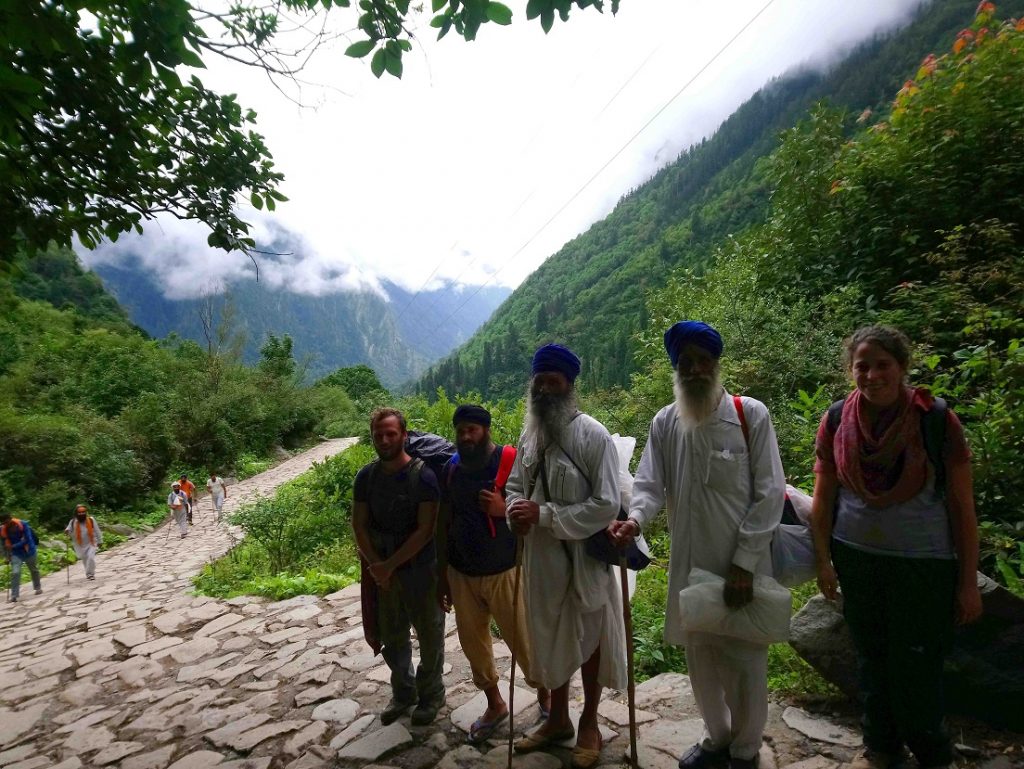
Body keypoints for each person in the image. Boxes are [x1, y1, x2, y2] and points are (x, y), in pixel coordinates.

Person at [610, 321, 786, 769]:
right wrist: (634, 519)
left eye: (702, 360)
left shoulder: (750, 415)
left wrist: (745, 562)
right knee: (701, 656)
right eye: (684, 362)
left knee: (745, 659)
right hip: (690, 565)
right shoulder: (666, 422)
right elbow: (649, 485)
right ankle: (716, 737)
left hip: (740, 565)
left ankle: (746, 748)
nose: (693, 369)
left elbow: (770, 493)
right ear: (676, 369)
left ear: (716, 364)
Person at [809, 325, 982, 769]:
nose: (871, 375)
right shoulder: (836, 420)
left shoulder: (935, 419)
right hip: (856, 556)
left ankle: (931, 752)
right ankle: (881, 749)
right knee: (871, 658)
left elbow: (963, 508)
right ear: (851, 370)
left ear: (902, 368)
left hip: (923, 564)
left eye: (882, 365)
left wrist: (968, 583)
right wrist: (824, 560)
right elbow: (824, 497)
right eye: (862, 366)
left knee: (917, 664)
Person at [505, 343, 627, 769]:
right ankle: (557, 719)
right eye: (539, 381)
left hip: (584, 558)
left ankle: (589, 722)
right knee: (550, 636)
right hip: (541, 559)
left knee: (590, 638)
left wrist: (545, 514)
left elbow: (607, 505)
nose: (544, 389)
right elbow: (516, 488)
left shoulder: (594, 435)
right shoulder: (529, 434)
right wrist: (514, 513)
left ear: (570, 385)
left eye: (552, 381)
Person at [438, 403, 550, 744]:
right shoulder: (451, 469)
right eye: (460, 431)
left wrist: (504, 510)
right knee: (474, 646)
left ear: (485, 430)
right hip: (462, 572)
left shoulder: (511, 460)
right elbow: (443, 521)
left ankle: (547, 701)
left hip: (506, 570)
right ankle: (495, 703)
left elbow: (539, 506)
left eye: (472, 429)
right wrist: (442, 574)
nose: (465, 436)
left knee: (525, 641)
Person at [352, 407, 445, 726]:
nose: (384, 439)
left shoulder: (425, 477)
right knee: (393, 637)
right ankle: (403, 693)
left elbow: (425, 530)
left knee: (430, 634)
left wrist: (387, 565)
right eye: (378, 434)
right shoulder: (365, 477)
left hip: (420, 569)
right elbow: (359, 525)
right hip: (383, 572)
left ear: (404, 435)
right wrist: (377, 565)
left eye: (391, 433)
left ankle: (431, 694)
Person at [2, 512, 42, 602]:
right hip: (16, 554)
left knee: (34, 569)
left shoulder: (23, 524)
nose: (6, 524)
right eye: (4, 523)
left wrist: (13, 546)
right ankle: (14, 595)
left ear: (11, 519)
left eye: (7, 522)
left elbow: (27, 539)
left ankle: (37, 588)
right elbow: (3, 544)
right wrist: (6, 556)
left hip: (29, 550)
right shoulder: (3, 529)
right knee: (15, 572)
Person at [64, 504, 103, 580]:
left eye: (83, 512)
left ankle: (90, 574)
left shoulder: (91, 520)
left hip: (91, 542)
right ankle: (88, 573)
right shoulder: (72, 522)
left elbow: (97, 531)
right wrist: (67, 531)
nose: (81, 514)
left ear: (86, 512)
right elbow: (68, 531)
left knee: (91, 558)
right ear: (76, 513)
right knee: (85, 559)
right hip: (80, 545)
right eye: (80, 512)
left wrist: (100, 541)